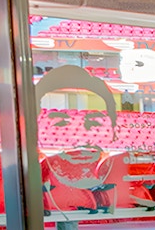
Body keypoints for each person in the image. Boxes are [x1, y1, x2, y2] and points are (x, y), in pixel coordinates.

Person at [36, 65, 120, 211]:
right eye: (60, 123)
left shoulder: (118, 169)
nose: (80, 138)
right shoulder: (29, 176)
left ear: (113, 128)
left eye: (94, 123)